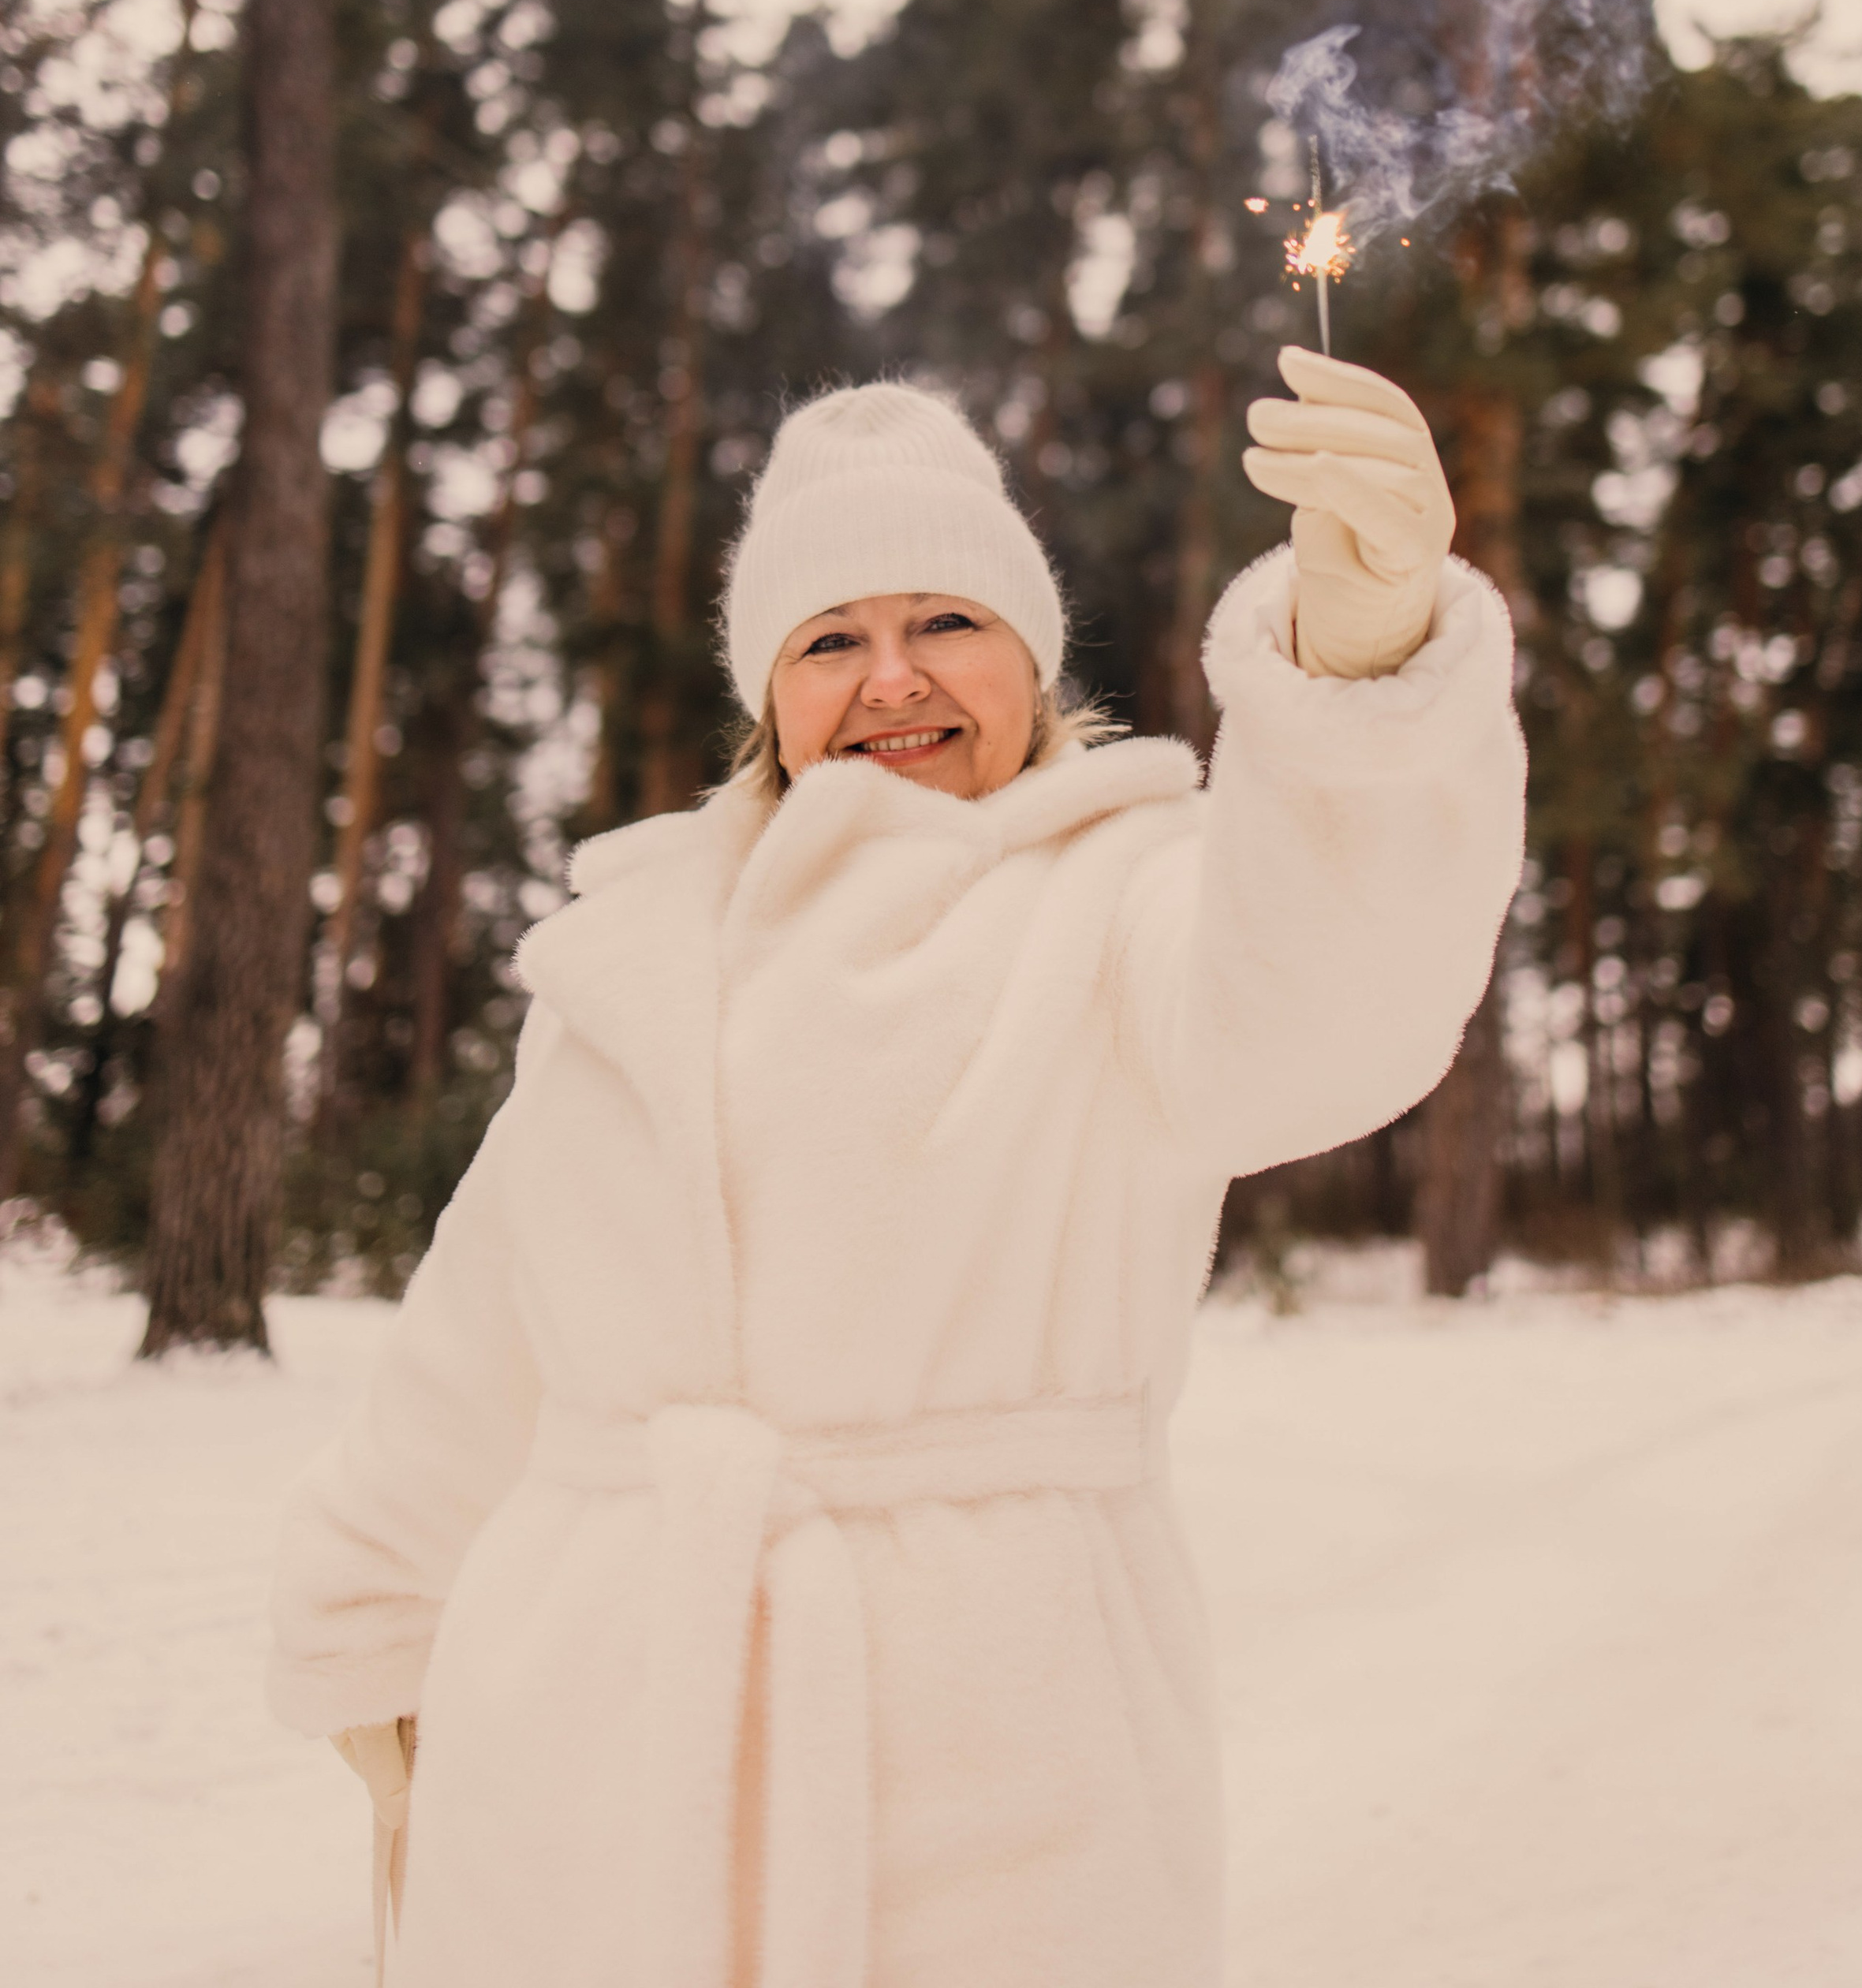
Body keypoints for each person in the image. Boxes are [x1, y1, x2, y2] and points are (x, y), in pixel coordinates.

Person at [269, 349, 1526, 1988]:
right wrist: (372, 1619)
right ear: (765, 693)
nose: (890, 680)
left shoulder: (1129, 901)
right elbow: (484, 1327)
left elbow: (1319, 1003)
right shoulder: (633, 951)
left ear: (1029, 656)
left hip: (991, 1743)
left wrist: (1363, 677)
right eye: (830, 641)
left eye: (944, 623)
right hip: (581, 1745)